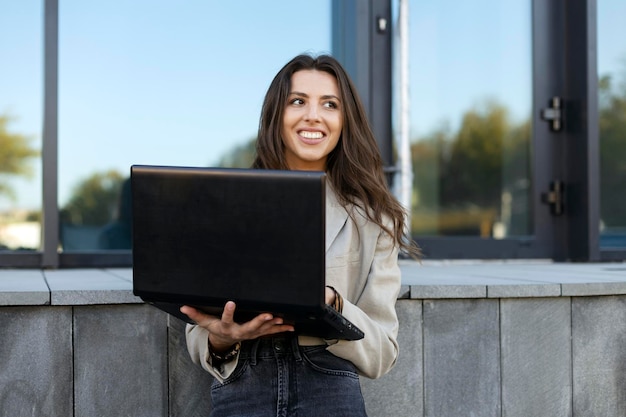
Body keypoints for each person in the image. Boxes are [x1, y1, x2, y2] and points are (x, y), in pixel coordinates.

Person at [180, 53, 421, 417]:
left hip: (328, 379)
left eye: (330, 104)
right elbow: (198, 333)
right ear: (278, 114)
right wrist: (221, 338)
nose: (313, 115)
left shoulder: (374, 218)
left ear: (344, 120)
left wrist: (332, 305)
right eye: (298, 101)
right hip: (244, 380)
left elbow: (383, 352)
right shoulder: (228, 202)